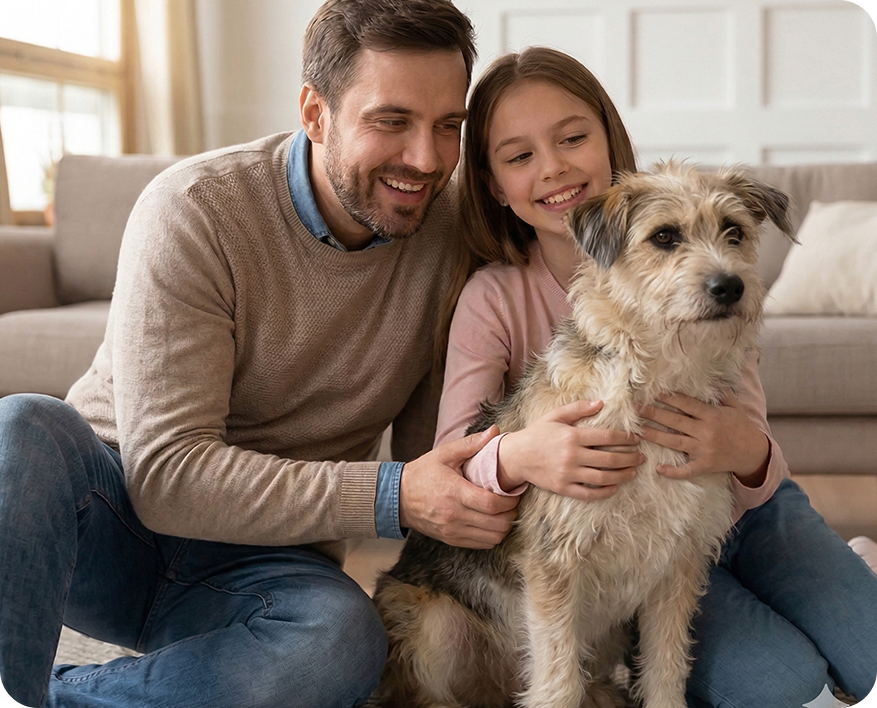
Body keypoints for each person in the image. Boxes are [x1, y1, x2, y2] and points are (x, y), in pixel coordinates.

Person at [0, 2, 521, 707]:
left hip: (268, 564)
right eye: (390, 121)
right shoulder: (196, 208)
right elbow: (167, 478)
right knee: (21, 426)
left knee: (343, 643)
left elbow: (439, 445)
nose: (426, 160)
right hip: (112, 524)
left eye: (447, 126)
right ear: (314, 112)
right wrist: (395, 493)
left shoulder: (454, 230)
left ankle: (65, 696)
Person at [435, 46, 877, 707]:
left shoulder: (712, 307)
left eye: (572, 138)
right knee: (779, 682)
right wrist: (520, 453)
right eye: (519, 155)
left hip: (745, 509)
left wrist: (743, 449)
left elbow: (754, 458)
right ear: (494, 183)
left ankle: (842, 574)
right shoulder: (494, 297)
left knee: (867, 652)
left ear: (609, 139)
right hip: (631, 544)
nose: (553, 166)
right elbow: (454, 470)